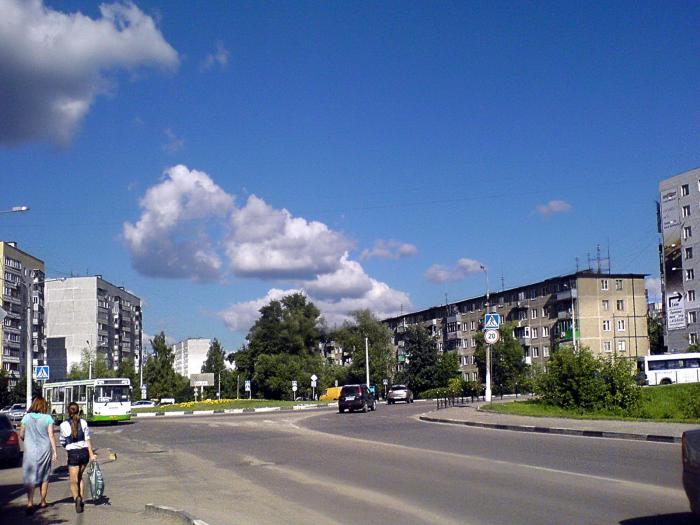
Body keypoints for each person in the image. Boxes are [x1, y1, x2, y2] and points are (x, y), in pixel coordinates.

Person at [19, 396, 58, 515]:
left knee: (30, 477)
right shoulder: (48, 418)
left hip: (30, 451)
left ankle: (30, 503)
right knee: (44, 475)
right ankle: (42, 501)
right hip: (44, 450)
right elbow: (51, 435)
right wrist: (55, 451)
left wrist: (27, 439)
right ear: (44, 406)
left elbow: (21, 434)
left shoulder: (26, 417)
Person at [59, 402, 96, 513]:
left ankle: (77, 498)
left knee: (73, 480)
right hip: (84, 453)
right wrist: (91, 455)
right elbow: (87, 440)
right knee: (80, 477)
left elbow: (62, 441)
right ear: (78, 410)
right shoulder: (83, 422)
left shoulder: (63, 425)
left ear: (68, 411)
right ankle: (82, 498)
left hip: (73, 453)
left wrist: (67, 446)